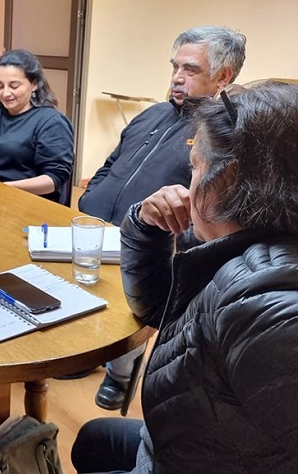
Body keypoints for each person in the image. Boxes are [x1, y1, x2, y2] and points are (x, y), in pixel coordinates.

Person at [71, 81, 298, 474]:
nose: (188, 183)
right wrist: (146, 226)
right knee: (92, 439)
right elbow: (159, 310)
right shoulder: (238, 237)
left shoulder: (269, 305)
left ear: (228, 179)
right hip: (184, 445)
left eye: (195, 168)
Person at [78, 26, 246, 410]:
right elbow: (109, 164)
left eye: (189, 69)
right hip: (99, 226)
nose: (176, 77)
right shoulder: (153, 113)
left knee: (131, 303)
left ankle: (120, 370)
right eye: (175, 67)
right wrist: (91, 196)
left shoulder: (222, 134)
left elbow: (212, 212)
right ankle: (85, 351)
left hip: (155, 245)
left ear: (223, 76)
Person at [0, 50, 73, 204]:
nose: (5, 93)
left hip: (26, 202)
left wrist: (4, 188)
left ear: (34, 84)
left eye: (14, 86)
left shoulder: (51, 122)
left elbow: (54, 178)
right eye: (0, 86)